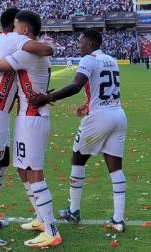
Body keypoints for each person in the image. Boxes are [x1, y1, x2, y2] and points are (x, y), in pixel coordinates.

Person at [0, 8, 55, 248]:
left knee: (2, 163)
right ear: (18, 28)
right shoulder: (16, 39)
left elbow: (1, 35)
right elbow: (44, 48)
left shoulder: (4, 39)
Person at [29, 29, 128, 233]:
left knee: (77, 160)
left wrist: (47, 98)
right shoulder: (111, 59)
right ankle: (118, 219)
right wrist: (88, 103)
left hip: (99, 117)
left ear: (90, 44)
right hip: (118, 114)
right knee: (116, 168)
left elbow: (75, 85)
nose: (78, 45)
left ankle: (73, 210)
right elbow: (105, 89)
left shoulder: (88, 60)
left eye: (81, 42)